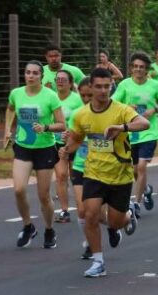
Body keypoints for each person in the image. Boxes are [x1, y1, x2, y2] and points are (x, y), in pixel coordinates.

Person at [60, 67, 149, 278]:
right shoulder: (81, 114)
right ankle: (98, 261)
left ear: (111, 86)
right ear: (90, 87)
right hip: (94, 172)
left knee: (115, 222)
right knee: (89, 214)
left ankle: (127, 217)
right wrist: (67, 148)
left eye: (107, 86)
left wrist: (122, 128)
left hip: (120, 175)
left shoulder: (121, 110)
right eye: (98, 86)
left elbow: (143, 123)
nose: (103, 91)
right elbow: (78, 138)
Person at [4, 60, 65, 249]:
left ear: (41, 76)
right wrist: (7, 130)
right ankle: (28, 226)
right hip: (23, 145)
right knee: (19, 189)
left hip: (45, 148)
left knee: (44, 196)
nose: (30, 76)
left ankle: (49, 229)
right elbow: (10, 109)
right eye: (27, 72)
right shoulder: (16, 93)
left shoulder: (50, 96)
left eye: (35, 73)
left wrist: (45, 127)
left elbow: (62, 124)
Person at [112, 52, 158, 215]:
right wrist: (127, 107)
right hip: (130, 133)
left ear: (147, 69)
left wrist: (154, 109)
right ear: (131, 68)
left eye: (142, 67)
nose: (138, 70)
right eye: (135, 67)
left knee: (141, 167)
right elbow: (113, 103)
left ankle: (136, 203)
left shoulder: (155, 86)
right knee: (134, 170)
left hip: (148, 133)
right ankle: (146, 189)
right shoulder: (125, 85)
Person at [65, 78, 95, 259]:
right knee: (82, 209)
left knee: (98, 212)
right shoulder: (77, 114)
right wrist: (65, 147)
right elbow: (73, 140)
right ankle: (90, 243)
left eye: (89, 95)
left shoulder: (106, 113)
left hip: (100, 168)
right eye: (82, 95)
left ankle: (115, 226)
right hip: (79, 165)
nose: (85, 98)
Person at [53, 70, 84, 223]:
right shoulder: (51, 99)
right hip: (57, 143)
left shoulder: (77, 100)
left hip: (74, 143)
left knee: (74, 176)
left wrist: (71, 134)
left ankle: (81, 206)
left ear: (70, 83)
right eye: (57, 79)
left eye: (63, 80)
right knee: (60, 176)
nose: (60, 82)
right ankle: (64, 210)